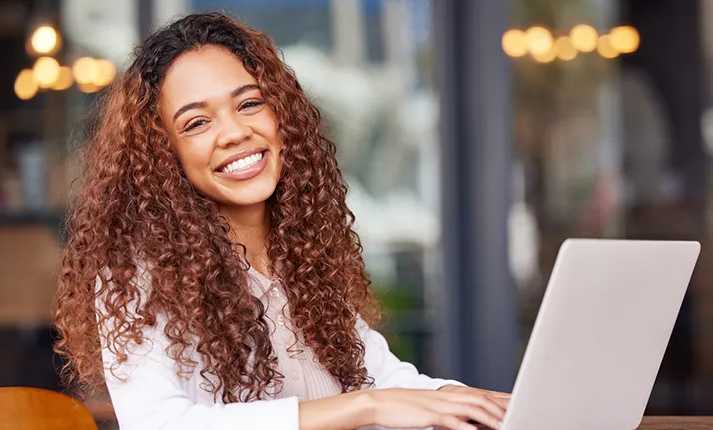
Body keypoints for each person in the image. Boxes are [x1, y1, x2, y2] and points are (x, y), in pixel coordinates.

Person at [54, 12, 509, 430]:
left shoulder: (298, 260)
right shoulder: (135, 275)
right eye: (196, 123)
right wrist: (366, 406)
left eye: (250, 104)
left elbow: (385, 377)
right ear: (163, 155)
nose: (234, 132)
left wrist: (483, 403)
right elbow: (160, 423)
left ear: (282, 116)